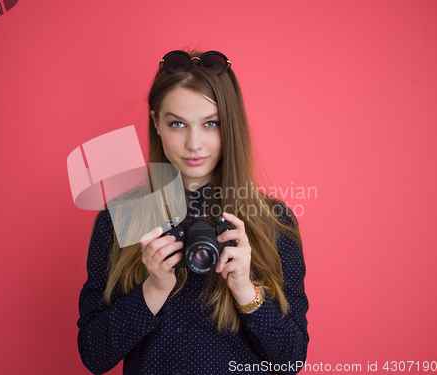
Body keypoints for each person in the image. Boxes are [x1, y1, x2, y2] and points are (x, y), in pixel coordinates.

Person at [77, 50, 309, 375]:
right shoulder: (121, 217)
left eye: (211, 123)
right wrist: (154, 288)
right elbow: (93, 355)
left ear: (232, 126)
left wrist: (245, 289)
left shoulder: (274, 221)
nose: (194, 144)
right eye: (177, 124)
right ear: (156, 122)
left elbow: (291, 360)